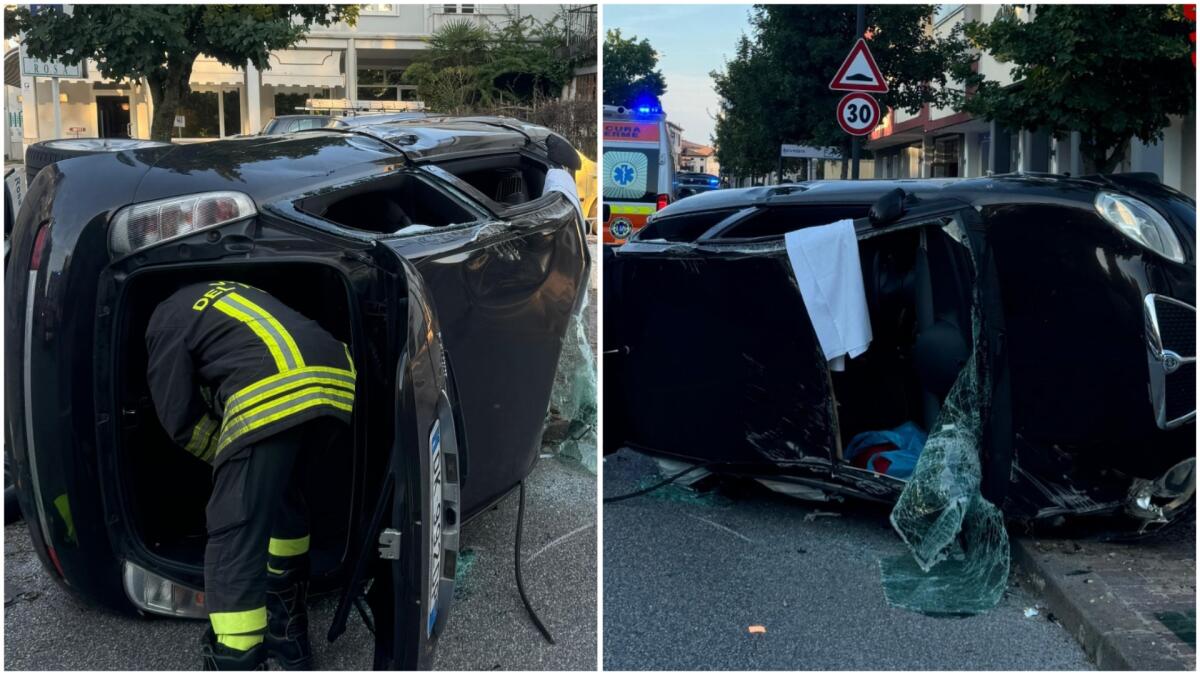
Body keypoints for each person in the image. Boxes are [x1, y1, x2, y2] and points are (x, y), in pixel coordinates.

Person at [145, 280, 355, 670]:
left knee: (234, 527)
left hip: (271, 387)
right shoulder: (229, 294)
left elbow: (178, 416)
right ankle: (288, 640)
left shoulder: (164, 321)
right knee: (280, 498)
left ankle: (235, 656)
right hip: (337, 379)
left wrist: (221, 456)